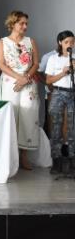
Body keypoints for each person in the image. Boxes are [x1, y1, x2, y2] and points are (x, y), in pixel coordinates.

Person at [0, 10, 40, 170]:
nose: (25, 26)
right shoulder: (2, 42)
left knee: (28, 115)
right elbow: (1, 64)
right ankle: (10, 156)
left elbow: (36, 63)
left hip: (28, 83)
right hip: (10, 82)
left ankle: (24, 156)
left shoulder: (31, 41)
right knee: (11, 116)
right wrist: (18, 78)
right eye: (22, 23)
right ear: (12, 23)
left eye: (26, 23)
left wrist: (26, 77)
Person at [44, 30, 75, 174]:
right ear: (60, 43)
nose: (70, 45)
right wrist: (63, 72)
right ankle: (56, 160)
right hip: (57, 93)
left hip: (72, 93)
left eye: (72, 42)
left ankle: (72, 160)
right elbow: (48, 80)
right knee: (56, 127)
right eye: (67, 42)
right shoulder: (53, 59)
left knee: (72, 128)